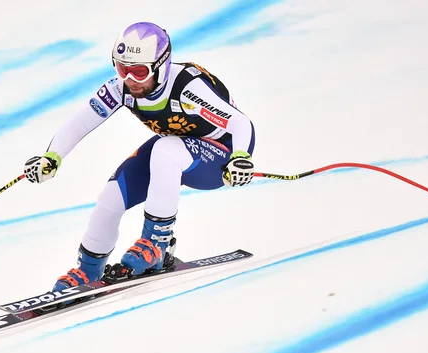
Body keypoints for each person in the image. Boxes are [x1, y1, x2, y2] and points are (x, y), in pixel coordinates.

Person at [23, 21, 256, 291]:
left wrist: (241, 158)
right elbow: (79, 123)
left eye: (139, 71)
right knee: (110, 198)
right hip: (174, 150)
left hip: (219, 157)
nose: (130, 79)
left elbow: (240, 123)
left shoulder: (187, 87)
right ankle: (88, 270)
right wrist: (52, 157)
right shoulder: (120, 88)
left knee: (165, 148)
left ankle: (156, 243)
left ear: (161, 65)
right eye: (122, 69)